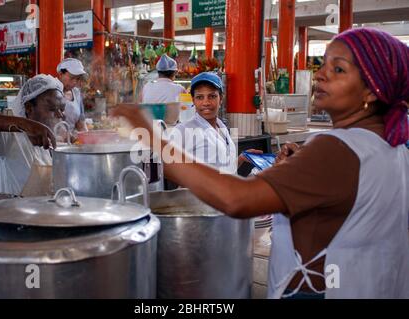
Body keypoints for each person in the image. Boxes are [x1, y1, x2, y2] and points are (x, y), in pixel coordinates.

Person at [112, 28, 409, 299]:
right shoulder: (390, 145)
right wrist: (293, 171)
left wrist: (151, 137)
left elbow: (236, 199)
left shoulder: (336, 148)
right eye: (325, 65)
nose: (320, 75)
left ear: (372, 90)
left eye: (338, 69)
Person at [0, 74, 65, 195]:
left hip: (41, 211)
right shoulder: (9, 137)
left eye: (62, 109)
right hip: (8, 212)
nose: (60, 115)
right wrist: (25, 124)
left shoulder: (49, 140)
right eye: (52, 109)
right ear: (29, 108)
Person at [170, 72, 261, 174]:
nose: (206, 103)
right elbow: (168, 169)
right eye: (200, 97)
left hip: (228, 188)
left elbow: (225, 170)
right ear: (193, 100)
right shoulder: (183, 130)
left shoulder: (221, 126)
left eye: (212, 96)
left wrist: (240, 159)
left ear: (221, 98)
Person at [57, 58, 88, 132]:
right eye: (72, 78)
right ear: (61, 74)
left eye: (77, 79)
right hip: (53, 140)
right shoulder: (50, 92)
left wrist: (88, 138)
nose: (74, 82)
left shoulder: (76, 93)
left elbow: (81, 124)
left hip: (71, 141)